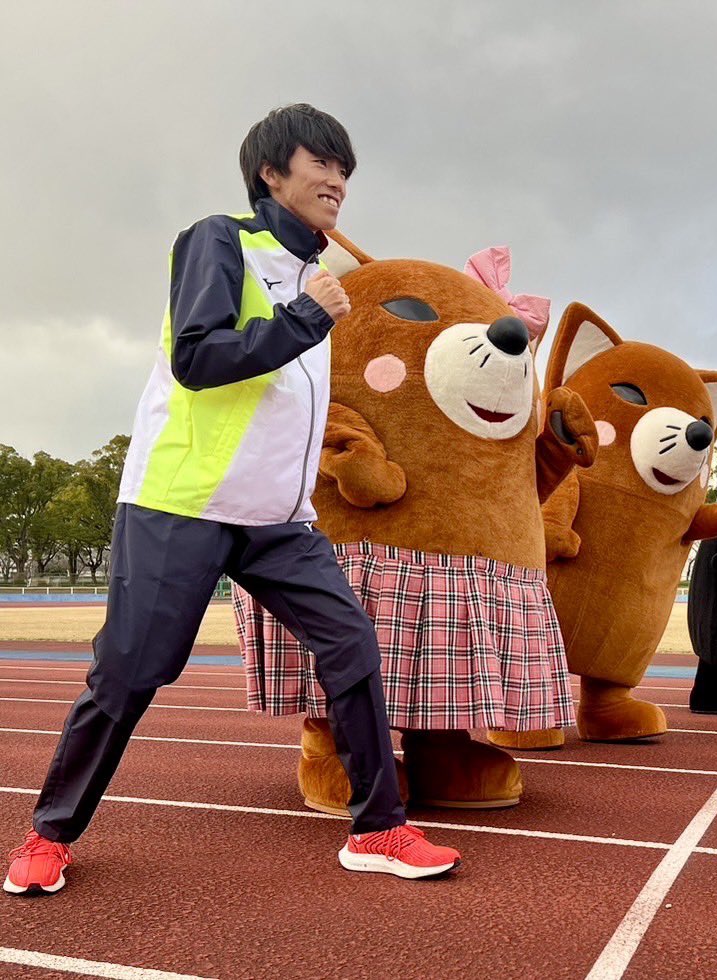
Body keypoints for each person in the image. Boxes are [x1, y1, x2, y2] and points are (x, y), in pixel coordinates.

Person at [4, 104, 460, 895]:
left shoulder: (321, 280)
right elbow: (198, 357)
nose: (338, 180)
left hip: (280, 521)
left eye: (346, 169)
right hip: (183, 503)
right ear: (270, 174)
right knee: (130, 673)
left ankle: (379, 827)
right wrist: (307, 317)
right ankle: (49, 834)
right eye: (322, 163)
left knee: (351, 644)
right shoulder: (221, 240)